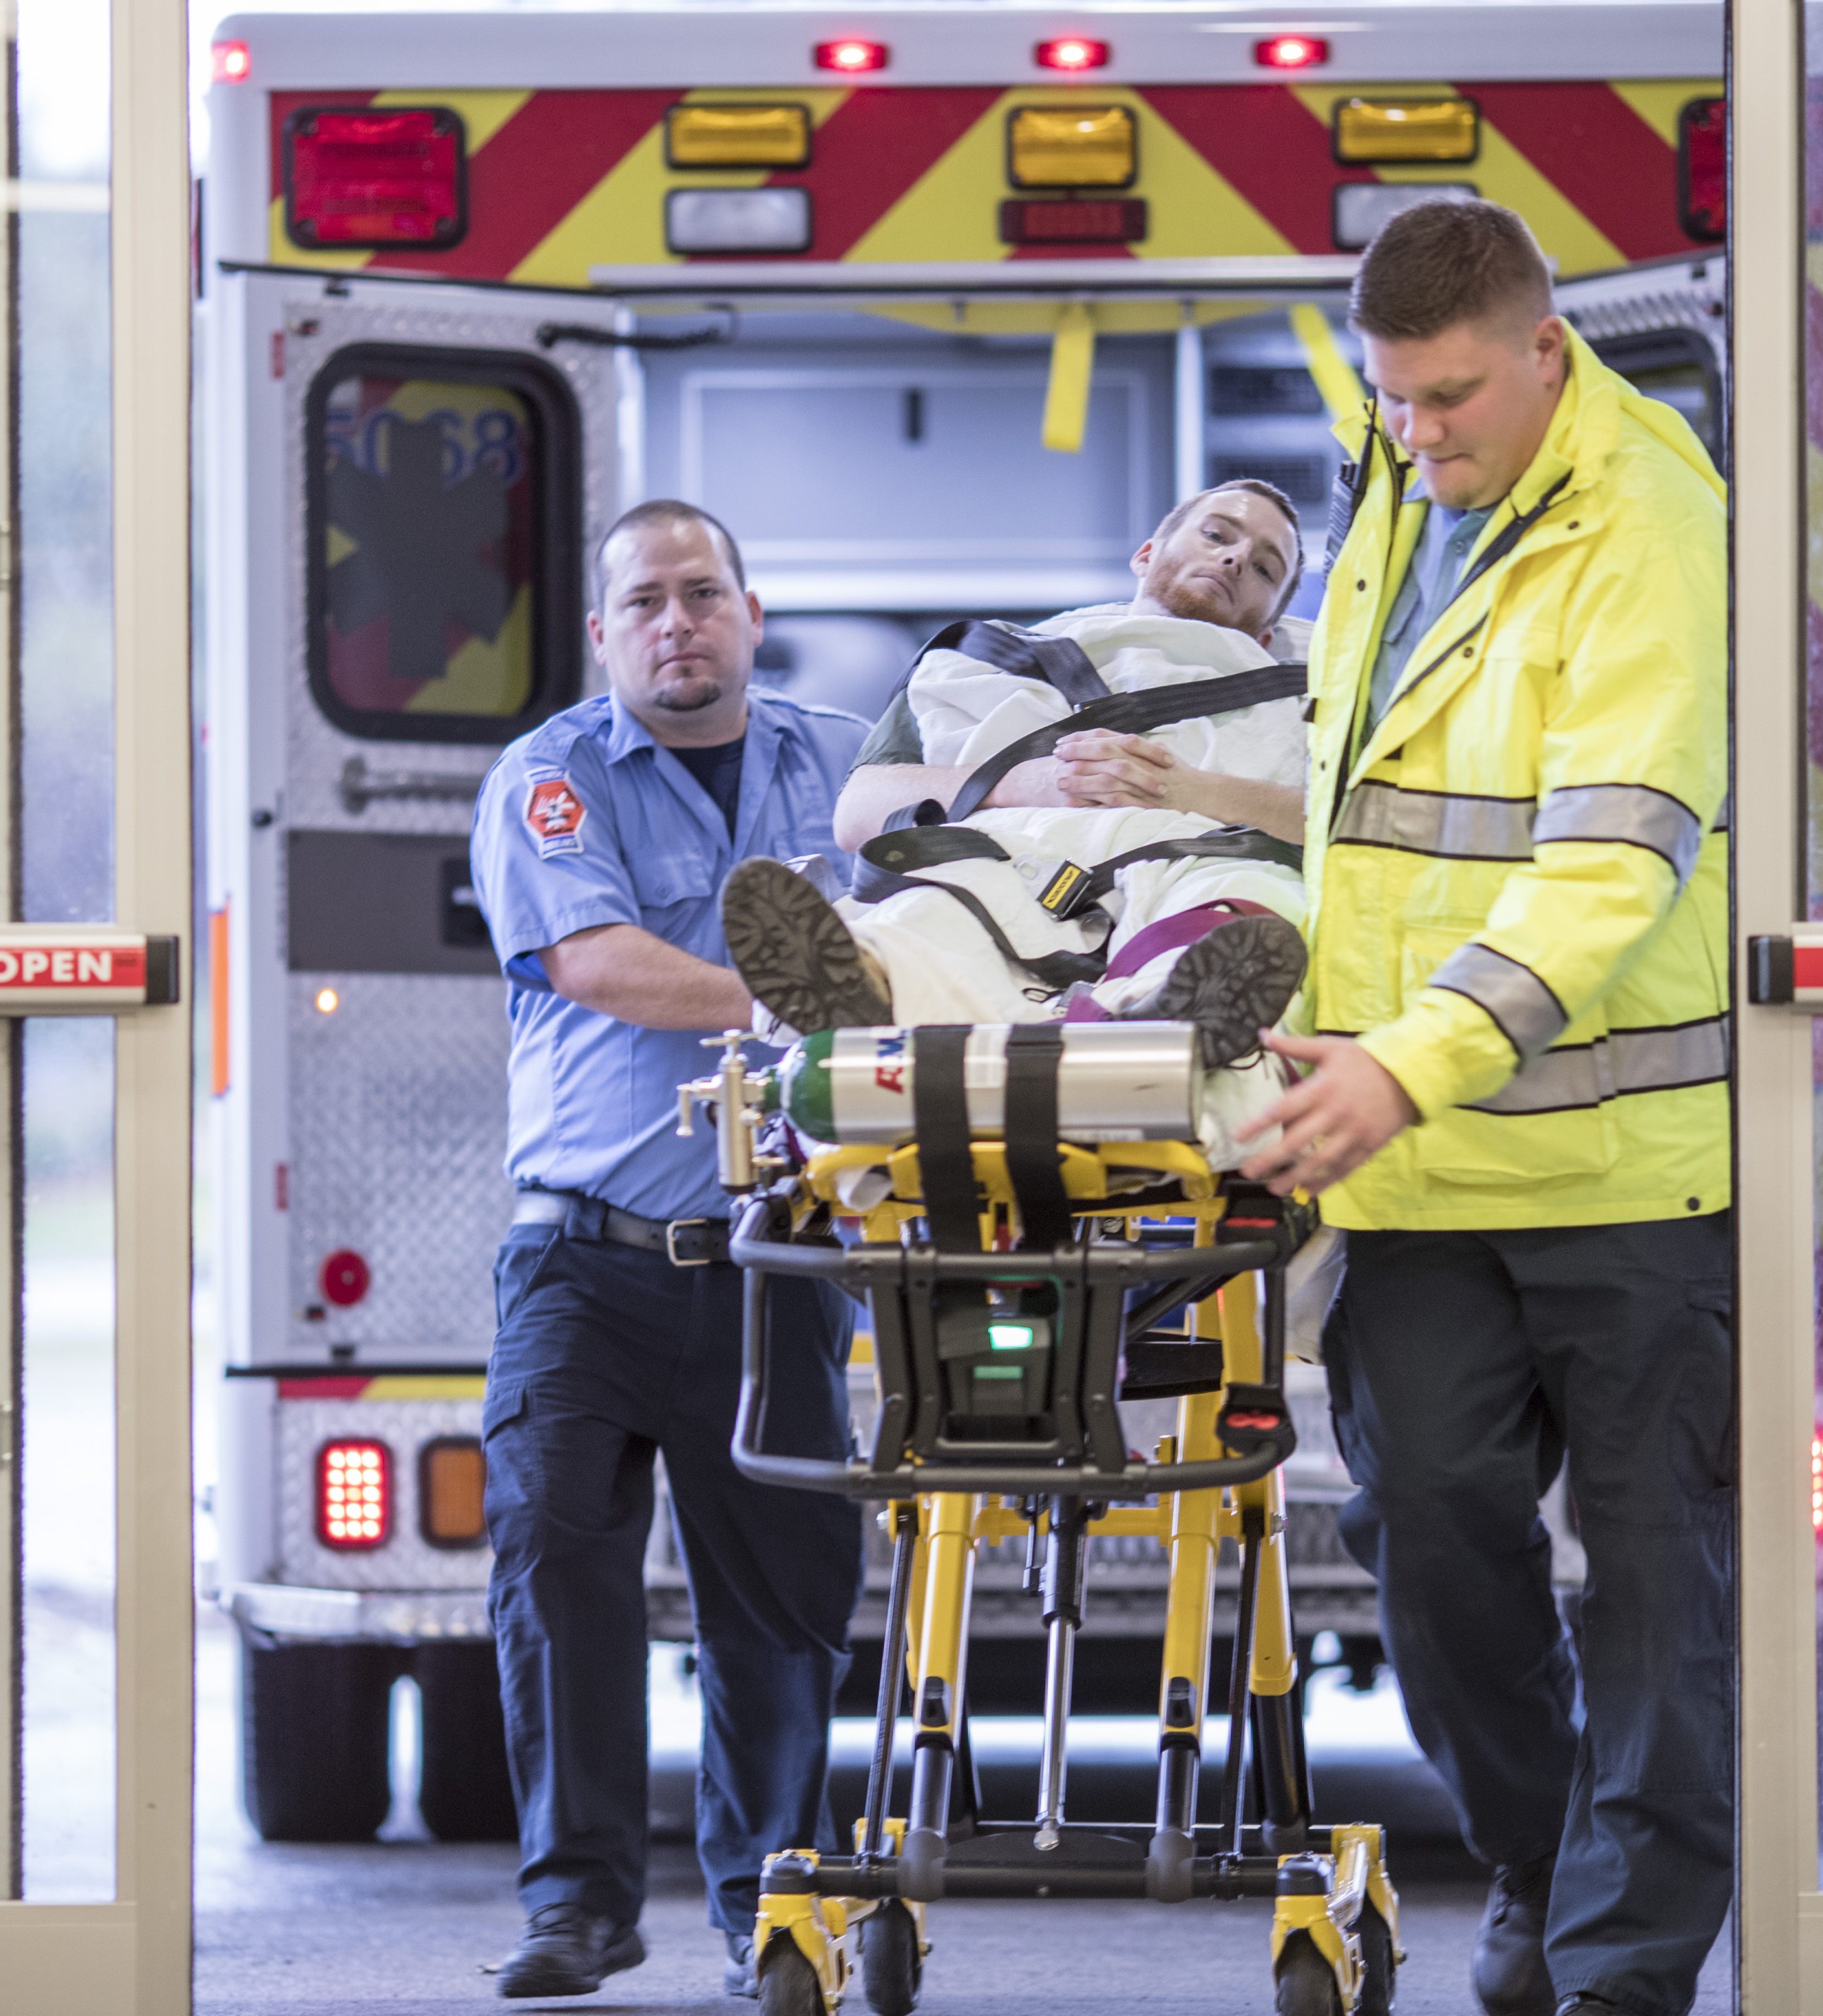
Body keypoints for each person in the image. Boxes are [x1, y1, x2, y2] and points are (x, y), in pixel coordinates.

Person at [1233, 200, 1733, 2016]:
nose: (1419, 436)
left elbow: (1607, 875)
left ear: (1545, 352)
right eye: (1390, 403)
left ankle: (1620, 1969)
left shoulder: (1653, 529)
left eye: (1449, 399)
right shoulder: (1404, 498)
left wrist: (1397, 1059)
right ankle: (1539, 1848)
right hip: (1419, 1170)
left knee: (1662, 1589)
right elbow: (1358, 803)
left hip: (1625, 1173)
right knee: (1429, 1532)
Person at [468, 498, 867, 2002]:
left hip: (780, 1262)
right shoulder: (552, 780)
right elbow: (596, 963)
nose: (677, 621)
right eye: (647, 600)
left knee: (776, 1602)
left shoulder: (843, 766)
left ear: (753, 616)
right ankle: (577, 1907)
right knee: (559, 1564)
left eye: (704, 593)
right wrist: (785, 1001)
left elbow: (961, 876)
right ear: (605, 633)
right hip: (584, 1260)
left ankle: (774, 1903)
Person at [717, 480, 1314, 1122]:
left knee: (1239, 908)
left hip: (1195, 857)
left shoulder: (1310, 699)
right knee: (934, 904)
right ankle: (862, 985)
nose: (1233, 560)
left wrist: (1187, 790)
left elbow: (1336, 825)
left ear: (1268, 630)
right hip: (1013, 856)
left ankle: (1161, 1013)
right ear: (1146, 553)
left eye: (1263, 567)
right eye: (1218, 535)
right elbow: (859, 816)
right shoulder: (984, 661)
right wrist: (1019, 783)